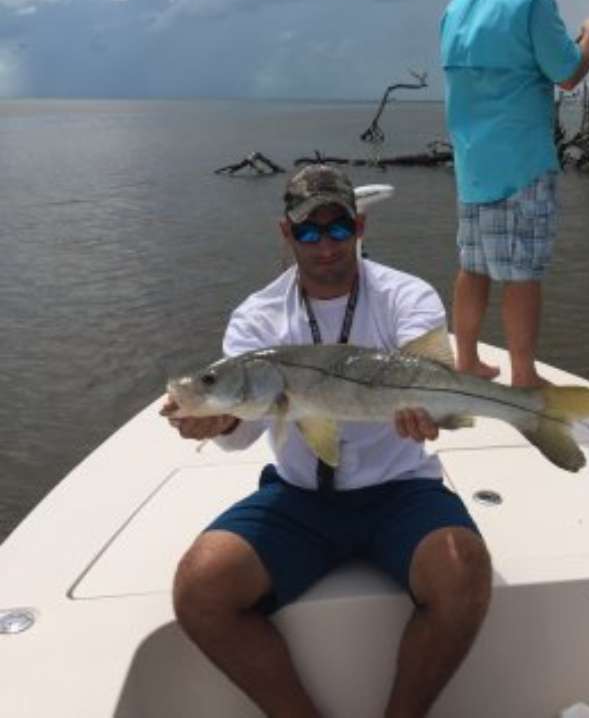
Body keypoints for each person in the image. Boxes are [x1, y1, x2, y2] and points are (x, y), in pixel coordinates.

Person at [163, 164, 492, 718]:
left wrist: (436, 411)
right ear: (286, 233)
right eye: (308, 231)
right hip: (299, 499)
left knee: (464, 574)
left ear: (359, 226)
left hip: (400, 491)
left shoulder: (404, 295)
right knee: (200, 589)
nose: (325, 245)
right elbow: (241, 434)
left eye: (338, 228)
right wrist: (215, 418)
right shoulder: (258, 317)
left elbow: (429, 373)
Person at [440, 0, 589, 386]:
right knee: (523, 272)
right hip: (522, 164)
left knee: (472, 265)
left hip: (472, 164)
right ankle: (523, 374)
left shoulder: (455, 6)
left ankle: (467, 360)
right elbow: (569, 73)